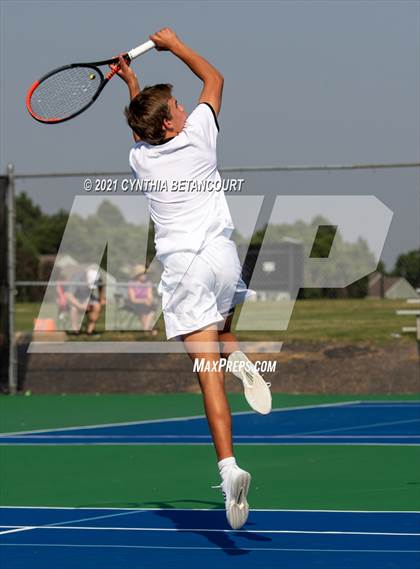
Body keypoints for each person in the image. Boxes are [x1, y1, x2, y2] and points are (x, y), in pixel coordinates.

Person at [114, 28, 272, 530]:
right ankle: (240, 355)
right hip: (223, 258)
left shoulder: (140, 159)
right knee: (220, 329)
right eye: (177, 106)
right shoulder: (201, 134)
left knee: (208, 379)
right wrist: (174, 46)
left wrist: (132, 83)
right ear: (169, 122)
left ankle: (229, 471)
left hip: (184, 270)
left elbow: (141, 132)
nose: (184, 108)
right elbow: (214, 76)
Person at [65, 265, 105, 335]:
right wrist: (80, 306)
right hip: (76, 299)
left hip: (89, 298)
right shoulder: (77, 278)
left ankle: (89, 331)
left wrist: (101, 299)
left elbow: (101, 288)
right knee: (74, 308)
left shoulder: (98, 277)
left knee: (97, 306)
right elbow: (68, 295)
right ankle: (75, 331)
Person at [127, 264, 158, 336]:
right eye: (143, 274)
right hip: (135, 304)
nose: (145, 275)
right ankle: (148, 330)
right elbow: (133, 299)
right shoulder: (131, 283)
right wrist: (144, 301)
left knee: (151, 309)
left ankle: (146, 329)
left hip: (146, 305)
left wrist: (149, 301)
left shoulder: (148, 283)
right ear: (138, 275)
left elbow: (150, 296)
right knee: (144, 311)